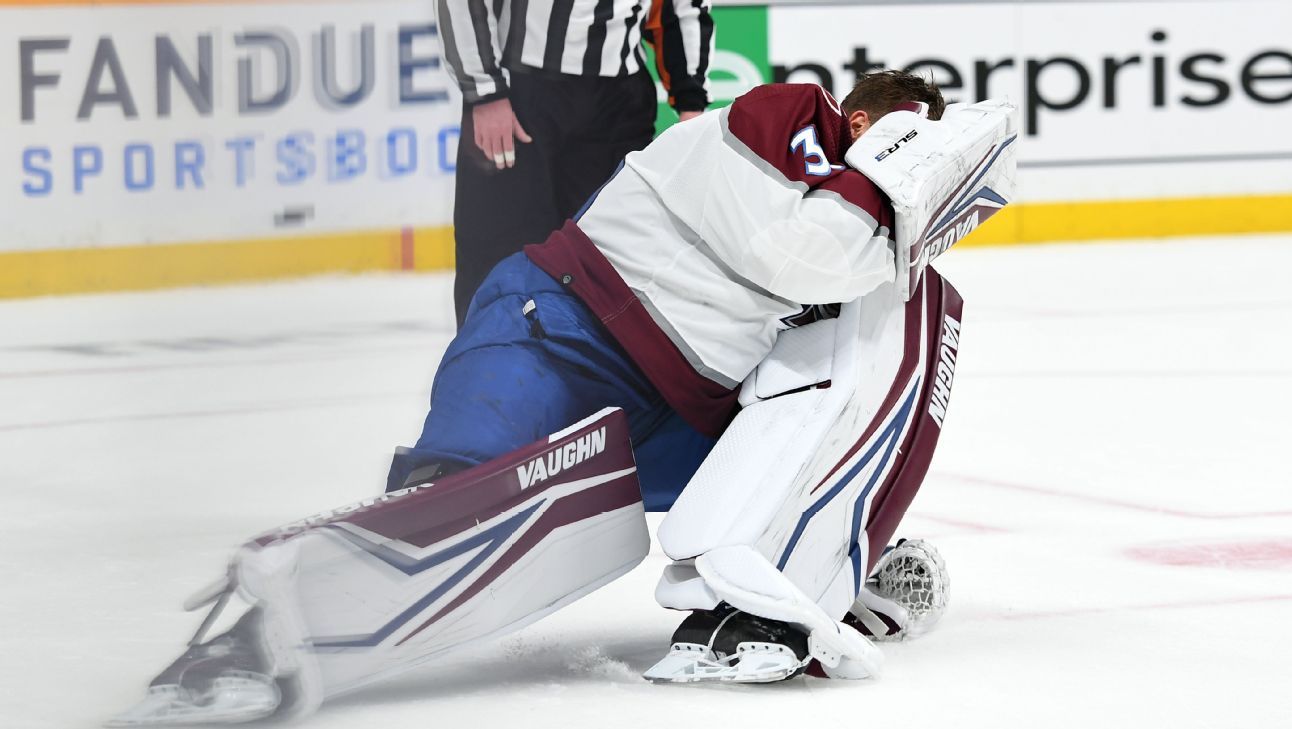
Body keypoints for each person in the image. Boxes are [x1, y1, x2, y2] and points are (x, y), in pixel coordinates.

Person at [111, 71, 1017, 724]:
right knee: (454, 501)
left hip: (681, 402)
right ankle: (252, 643)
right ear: (863, 117)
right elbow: (799, 255)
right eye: (905, 137)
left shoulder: (867, 229)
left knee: (851, 383)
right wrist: (913, 172)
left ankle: (818, 577)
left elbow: (833, 377)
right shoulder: (791, 113)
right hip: (564, 327)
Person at [438, 0, 715, 325]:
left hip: (618, 106)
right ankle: (493, 373)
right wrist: (483, 91)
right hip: (520, 95)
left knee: (612, 271)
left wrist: (690, 102)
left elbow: (682, 7)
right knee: (501, 262)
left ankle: (600, 375)